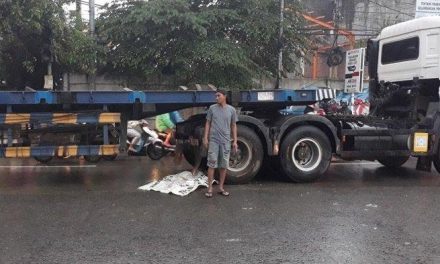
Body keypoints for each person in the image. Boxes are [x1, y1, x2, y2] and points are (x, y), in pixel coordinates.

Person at [203, 89, 238, 198]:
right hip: (214, 140)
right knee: (211, 164)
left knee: (223, 165)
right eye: (216, 96)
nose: (216, 98)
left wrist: (235, 141)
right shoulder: (212, 109)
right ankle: (209, 188)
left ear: (225, 96)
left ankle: (221, 187)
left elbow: (233, 125)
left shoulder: (231, 110)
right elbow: (208, 123)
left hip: (225, 141)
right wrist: (205, 137)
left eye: (218, 95)